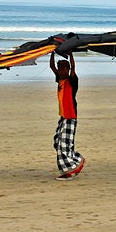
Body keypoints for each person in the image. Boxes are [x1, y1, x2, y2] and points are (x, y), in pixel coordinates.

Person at [49, 51, 85, 180]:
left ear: (68, 69)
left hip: (71, 117)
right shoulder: (60, 79)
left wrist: (70, 54)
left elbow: (74, 68)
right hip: (63, 117)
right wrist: (52, 53)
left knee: (63, 144)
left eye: (64, 68)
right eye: (60, 69)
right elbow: (52, 66)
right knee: (58, 141)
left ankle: (68, 171)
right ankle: (76, 161)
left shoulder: (72, 80)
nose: (61, 71)